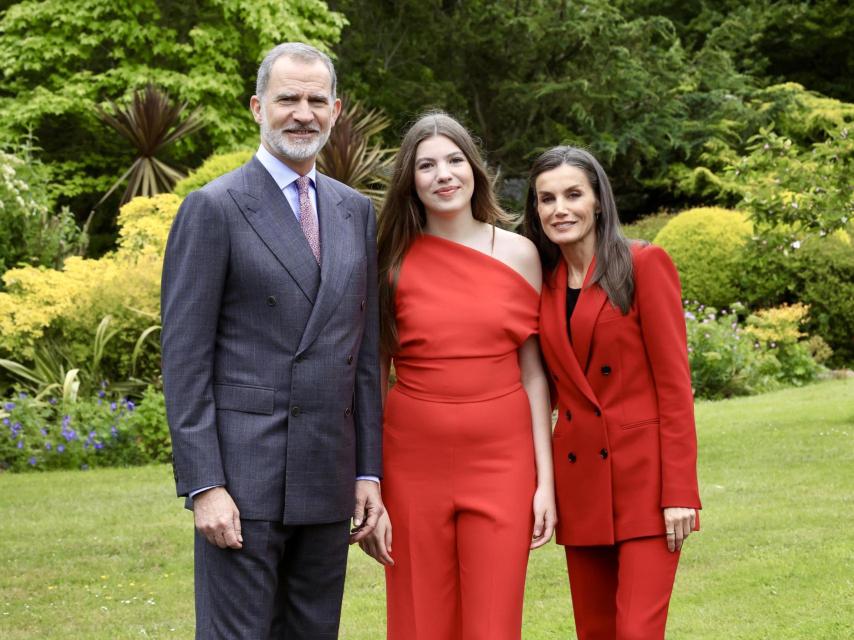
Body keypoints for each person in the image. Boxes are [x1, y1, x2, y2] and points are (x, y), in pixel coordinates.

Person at [161, 42, 384, 639]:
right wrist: (205, 485)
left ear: (336, 110)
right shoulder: (213, 207)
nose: (302, 113)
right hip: (243, 483)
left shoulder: (354, 211)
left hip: (327, 478)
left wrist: (368, 473)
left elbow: (364, 359)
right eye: (288, 98)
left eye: (316, 100)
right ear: (258, 106)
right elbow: (184, 362)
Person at [358, 112, 556, 640]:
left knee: (494, 621)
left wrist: (545, 483)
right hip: (411, 460)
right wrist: (369, 484)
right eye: (426, 165)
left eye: (454, 160)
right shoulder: (388, 261)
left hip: (503, 460)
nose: (443, 174)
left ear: (474, 169)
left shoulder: (520, 253)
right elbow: (373, 375)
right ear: (411, 181)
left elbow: (534, 373)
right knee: (421, 618)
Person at [522, 146, 701, 639]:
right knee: (594, 632)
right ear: (535, 210)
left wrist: (680, 491)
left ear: (598, 200)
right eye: (546, 198)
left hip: (645, 485)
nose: (560, 209)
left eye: (573, 194)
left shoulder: (644, 264)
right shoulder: (543, 283)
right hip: (580, 487)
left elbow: (675, 387)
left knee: (638, 631)